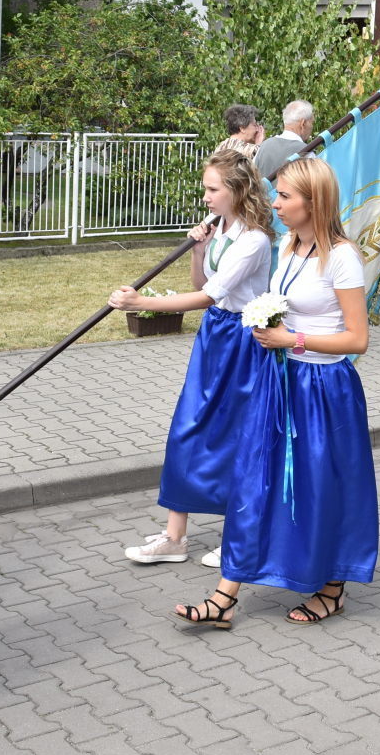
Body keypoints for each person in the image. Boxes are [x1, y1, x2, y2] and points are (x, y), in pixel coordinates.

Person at [171, 158, 378, 629]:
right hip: (279, 379)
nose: (276, 204)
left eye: (285, 196)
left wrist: (292, 340)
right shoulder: (287, 246)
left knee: (321, 485)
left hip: (322, 388)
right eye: (278, 194)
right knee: (254, 480)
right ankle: (225, 596)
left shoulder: (341, 256)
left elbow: (357, 339)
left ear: (314, 201)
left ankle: (332, 587)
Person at [109, 150, 274, 567]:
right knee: (188, 428)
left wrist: (140, 302)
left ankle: (237, 537)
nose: (205, 197)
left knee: (235, 436)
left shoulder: (253, 241)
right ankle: (174, 537)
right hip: (215, 336)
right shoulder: (220, 226)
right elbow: (203, 282)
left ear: (237, 190)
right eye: (206, 188)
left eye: (213, 189)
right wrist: (199, 250)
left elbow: (207, 297)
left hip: (243, 342)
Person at [255, 100, 314, 181]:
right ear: (303, 123)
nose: (312, 127)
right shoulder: (306, 153)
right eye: (311, 123)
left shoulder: (263, 147)